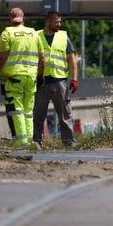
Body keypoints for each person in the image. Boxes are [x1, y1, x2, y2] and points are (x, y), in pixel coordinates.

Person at [0, 8, 45, 148]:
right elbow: (42, 57)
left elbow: (0, 57)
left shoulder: (7, 33)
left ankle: (21, 142)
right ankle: (30, 141)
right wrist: (40, 75)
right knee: (28, 111)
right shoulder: (34, 33)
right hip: (31, 78)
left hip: (13, 78)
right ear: (23, 18)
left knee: (17, 110)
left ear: (10, 19)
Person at [33, 11, 79, 148]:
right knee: (38, 114)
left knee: (65, 114)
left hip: (60, 82)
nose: (59, 24)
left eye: (60, 21)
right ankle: (36, 141)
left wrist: (74, 79)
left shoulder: (64, 37)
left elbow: (72, 60)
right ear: (48, 21)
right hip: (41, 82)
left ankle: (68, 141)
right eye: (56, 21)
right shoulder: (36, 36)